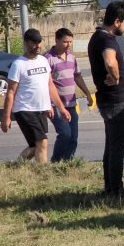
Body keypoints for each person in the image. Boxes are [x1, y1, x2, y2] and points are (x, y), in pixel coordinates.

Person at [0, 29, 70, 163]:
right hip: (24, 109)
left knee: (35, 147)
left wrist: (60, 108)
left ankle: (15, 167)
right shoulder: (18, 64)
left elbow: (50, 85)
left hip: (41, 110)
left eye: (39, 42)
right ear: (26, 43)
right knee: (42, 142)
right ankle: (43, 176)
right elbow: (10, 92)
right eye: (34, 43)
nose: (38, 46)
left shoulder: (43, 60)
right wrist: (6, 117)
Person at [87, 0, 124, 198]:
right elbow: (109, 60)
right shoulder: (107, 40)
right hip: (116, 100)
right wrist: (115, 76)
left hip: (109, 99)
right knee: (118, 148)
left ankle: (110, 187)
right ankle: (117, 190)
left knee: (111, 146)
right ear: (116, 21)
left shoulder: (97, 36)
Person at [45, 27, 94, 161]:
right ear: (57, 40)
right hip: (56, 105)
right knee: (65, 134)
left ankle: (68, 163)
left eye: (70, 42)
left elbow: (77, 77)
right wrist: (49, 104)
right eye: (65, 42)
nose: (68, 45)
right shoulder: (48, 59)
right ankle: (56, 162)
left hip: (71, 103)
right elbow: (45, 84)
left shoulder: (72, 57)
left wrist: (88, 93)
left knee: (73, 137)